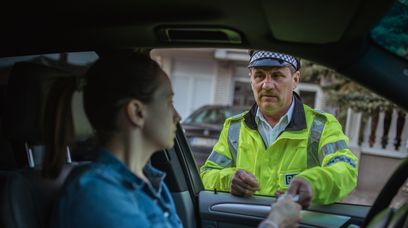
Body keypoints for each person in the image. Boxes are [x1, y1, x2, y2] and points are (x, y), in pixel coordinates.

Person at [43, 52, 301, 227]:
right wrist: (273, 223)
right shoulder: (96, 195)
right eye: (168, 102)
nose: (177, 116)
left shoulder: (151, 183)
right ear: (136, 112)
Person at [200, 50, 359, 208]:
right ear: (251, 80)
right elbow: (207, 174)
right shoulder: (234, 128)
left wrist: (313, 183)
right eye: (259, 75)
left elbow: (345, 168)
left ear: (295, 79)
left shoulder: (321, 126)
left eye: (277, 75)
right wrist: (228, 181)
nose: (267, 85)